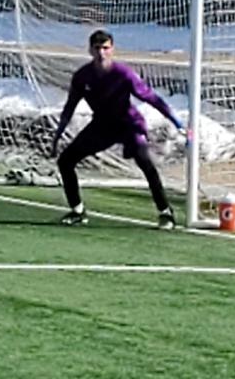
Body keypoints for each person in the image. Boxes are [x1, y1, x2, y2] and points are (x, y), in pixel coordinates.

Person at [50, 29, 185, 229]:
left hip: (129, 124)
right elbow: (70, 106)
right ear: (90, 50)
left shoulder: (123, 74)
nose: (101, 53)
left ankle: (165, 213)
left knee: (145, 163)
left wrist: (177, 122)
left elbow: (151, 98)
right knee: (65, 161)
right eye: (97, 48)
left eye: (105, 48)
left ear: (112, 49)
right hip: (102, 126)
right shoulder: (82, 76)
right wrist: (59, 133)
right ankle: (77, 211)